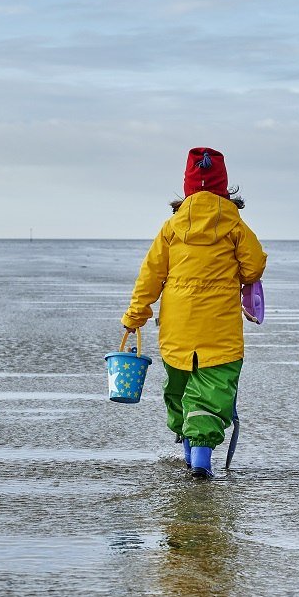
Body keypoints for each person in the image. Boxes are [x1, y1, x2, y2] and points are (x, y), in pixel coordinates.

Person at [121, 147, 267, 478]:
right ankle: (202, 462)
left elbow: (150, 276)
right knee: (213, 390)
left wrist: (134, 316)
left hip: (178, 330)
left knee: (179, 389)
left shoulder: (171, 228)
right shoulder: (234, 225)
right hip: (220, 332)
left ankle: (189, 455)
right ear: (224, 188)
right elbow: (254, 266)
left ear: (187, 188)